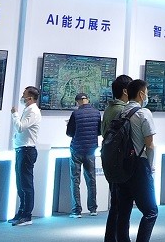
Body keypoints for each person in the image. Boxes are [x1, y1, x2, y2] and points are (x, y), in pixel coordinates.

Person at [115, 80, 158, 242]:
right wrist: (150, 167)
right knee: (151, 211)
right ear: (141, 94)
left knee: (123, 211)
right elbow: (150, 145)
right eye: (146, 92)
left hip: (122, 166)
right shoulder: (143, 113)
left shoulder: (121, 112)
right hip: (139, 165)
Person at [102, 74, 133, 242]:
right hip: (120, 162)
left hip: (110, 160)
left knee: (115, 204)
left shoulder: (109, 109)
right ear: (125, 91)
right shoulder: (122, 111)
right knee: (122, 206)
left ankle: (110, 238)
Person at [10, 85, 41, 226]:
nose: (22, 97)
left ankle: (27, 215)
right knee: (20, 183)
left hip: (27, 150)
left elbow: (20, 127)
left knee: (26, 184)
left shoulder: (33, 111)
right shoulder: (28, 110)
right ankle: (21, 212)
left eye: (24, 94)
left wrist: (15, 114)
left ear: (30, 98)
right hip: (21, 149)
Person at [67, 92, 101, 218]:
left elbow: (69, 132)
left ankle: (76, 210)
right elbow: (99, 131)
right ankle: (93, 208)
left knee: (75, 180)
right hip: (91, 149)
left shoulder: (76, 114)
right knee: (91, 179)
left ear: (78, 101)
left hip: (76, 149)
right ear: (87, 99)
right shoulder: (97, 113)